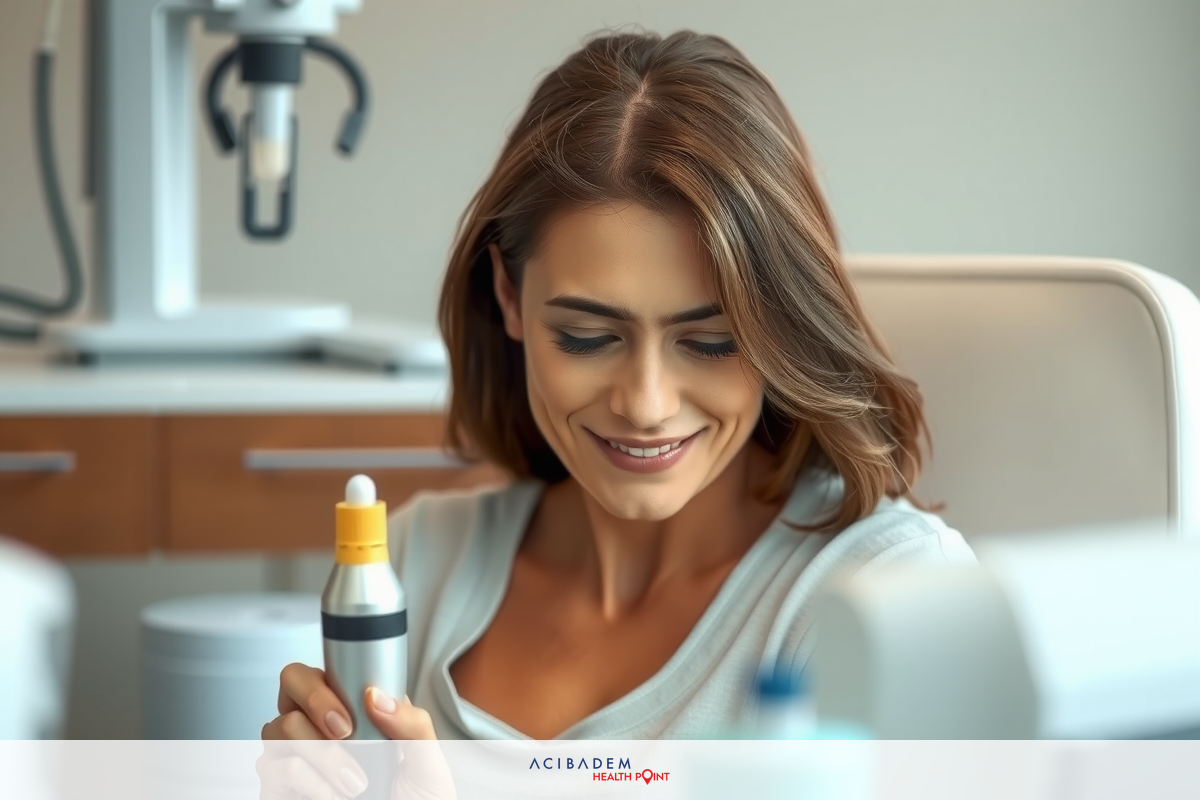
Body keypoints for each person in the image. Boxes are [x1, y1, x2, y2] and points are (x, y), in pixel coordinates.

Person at [262, 29, 973, 752]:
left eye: (711, 341)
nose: (646, 403)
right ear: (507, 294)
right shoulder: (415, 562)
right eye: (588, 337)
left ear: (779, 328)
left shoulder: (889, 596)